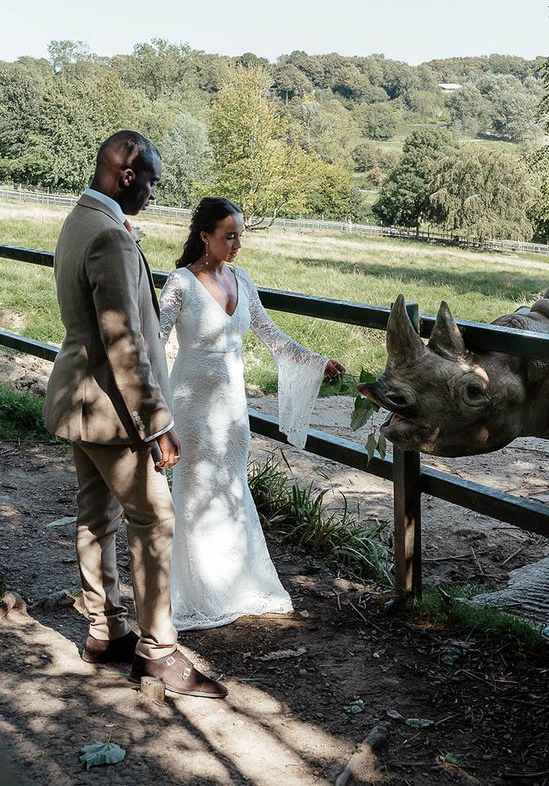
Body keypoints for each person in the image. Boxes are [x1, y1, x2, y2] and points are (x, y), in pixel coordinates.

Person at [44, 132, 227, 698]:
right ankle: (158, 653)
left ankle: (106, 630)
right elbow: (125, 342)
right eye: (150, 181)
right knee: (155, 520)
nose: (152, 193)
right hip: (113, 409)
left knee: (96, 515)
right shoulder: (111, 238)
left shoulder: (78, 220)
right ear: (127, 176)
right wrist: (158, 422)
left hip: (79, 398)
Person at [159, 197, 344, 630]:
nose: (238, 243)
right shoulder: (180, 283)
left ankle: (236, 583)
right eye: (229, 235)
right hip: (190, 405)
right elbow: (155, 336)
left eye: (241, 234)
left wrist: (317, 362)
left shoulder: (243, 280)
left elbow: (271, 335)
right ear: (205, 236)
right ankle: (199, 591)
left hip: (231, 410)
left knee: (231, 489)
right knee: (195, 493)